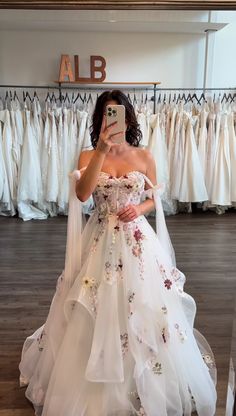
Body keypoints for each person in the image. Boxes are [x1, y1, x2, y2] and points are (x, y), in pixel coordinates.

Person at [19, 90, 217, 416]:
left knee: (146, 305)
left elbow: (155, 198)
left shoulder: (144, 156)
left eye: (119, 113)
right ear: (100, 119)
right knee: (90, 305)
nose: (113, 120)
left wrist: (139, 208)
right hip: (98, 239)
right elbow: (82, 195)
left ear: (128, 117)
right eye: (107, 114)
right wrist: (100, 151)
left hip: (137, 240)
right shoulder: (87, 156)